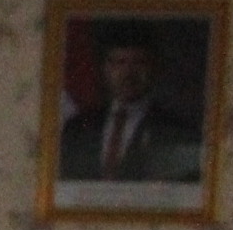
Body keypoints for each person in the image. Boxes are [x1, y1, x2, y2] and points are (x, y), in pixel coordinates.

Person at [56, 28, 205, 186]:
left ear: (154, 68)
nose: (128, 73)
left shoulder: (176, 131)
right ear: (105, 69)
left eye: (139, 62)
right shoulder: (78, 128)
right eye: (119, 62)